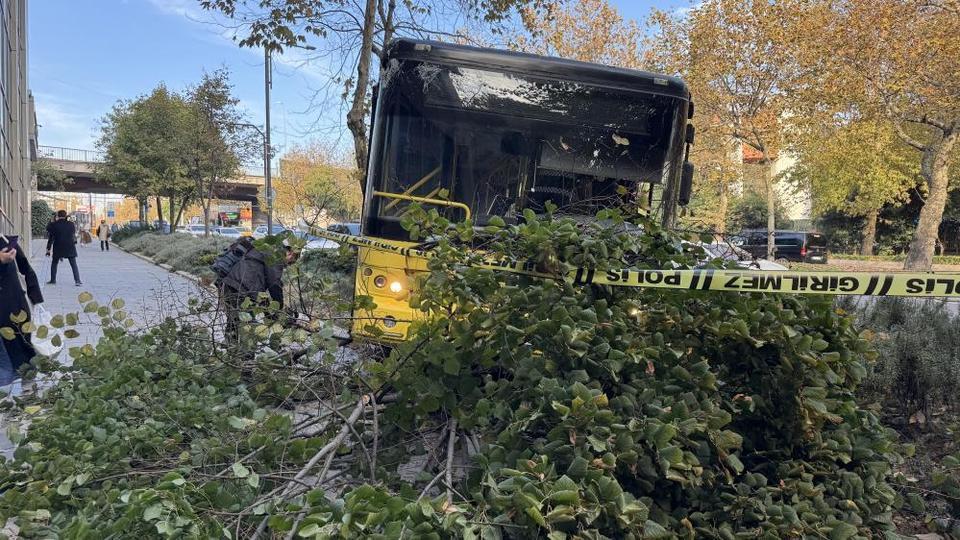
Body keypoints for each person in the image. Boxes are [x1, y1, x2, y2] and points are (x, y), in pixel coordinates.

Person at [218, 237, 298, 343]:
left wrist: (269, 312)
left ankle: (230, 350)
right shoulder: (276, 255)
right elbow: (274, 283)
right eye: (289, 263)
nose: (286, 266)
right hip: (243, 289)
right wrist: (278, 307)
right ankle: (246, 355)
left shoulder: (265, 250)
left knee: (234, 321)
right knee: (248, 324)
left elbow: (261, 290)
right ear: (290, 253)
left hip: (230, 284)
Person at [0, 235, 44, 387]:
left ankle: (28, 391)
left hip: (15, 309)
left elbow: (26, 270)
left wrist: (36, 301)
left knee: (24, 350)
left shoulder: (7, 242)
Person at [46, 210, 82, 286]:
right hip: (70, 246)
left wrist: (52, 220)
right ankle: (77, 281)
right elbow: (72, 233)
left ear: (58, 216)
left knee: (54, 263)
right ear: (66, 216)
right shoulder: (71, 224)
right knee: (73, 264)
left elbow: (48, 229)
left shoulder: (54, 225)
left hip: (58, 247)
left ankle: (53, 280)